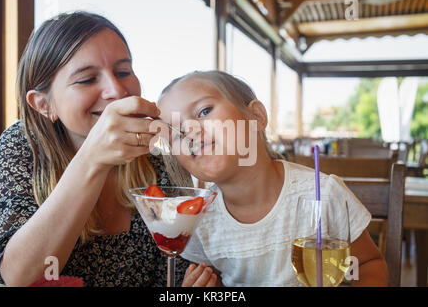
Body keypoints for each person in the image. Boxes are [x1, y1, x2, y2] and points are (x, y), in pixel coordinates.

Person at [0, 11, 214, 287]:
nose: (115, 89)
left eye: (124, 71)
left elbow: (184, 262)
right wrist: (92, 157)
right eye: (87, 79)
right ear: (44, 104)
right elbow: (19, 276)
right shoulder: (22, 146)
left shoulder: (156, 150)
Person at [158, 70, 389, 287]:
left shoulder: (323, 193)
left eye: (204, 111)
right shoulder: (199, 220)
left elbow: (368, 264)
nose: (188, 132)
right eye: (175, 133)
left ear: (256, 116)